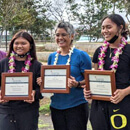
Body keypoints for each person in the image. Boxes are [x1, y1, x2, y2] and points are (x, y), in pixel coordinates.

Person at [37, 21, 91, 130]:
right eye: (57, 35)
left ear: (72, 36)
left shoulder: (81, 55)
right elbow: (49, 78)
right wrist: (43, 82)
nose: (60, 38)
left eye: (63, 35)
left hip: (76, 106)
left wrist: (77, 83)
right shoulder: (52, 57)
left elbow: (89, 80)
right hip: (56, 106)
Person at [84, 14, 130, 130]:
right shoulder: (99, 51)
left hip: (123, 104)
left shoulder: (129, 51)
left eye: (109, 27)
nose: (105, 31)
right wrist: (88, 90)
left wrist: (124, 92)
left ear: (120, 28)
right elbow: (94, 77)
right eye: (103, 27)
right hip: (99, 105)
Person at [0, 30, 43, 130]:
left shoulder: (37, 65)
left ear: (30, 45)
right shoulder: (3, 63)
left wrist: (34, 94)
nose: (19, 46)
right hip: (6, 110)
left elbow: (41, 90)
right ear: (12, 45)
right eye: (16, 43)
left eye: (23, 43)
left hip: (28, 111)